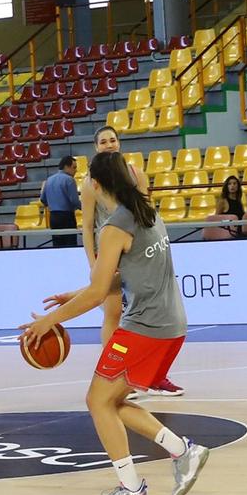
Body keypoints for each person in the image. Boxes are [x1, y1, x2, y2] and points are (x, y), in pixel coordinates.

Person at [23, 151, 211, 495]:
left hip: (145, 327)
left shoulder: (113, 228)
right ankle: (184, 452)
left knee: (97, 400)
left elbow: (99, 292)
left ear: (95, 185)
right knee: (112, 402)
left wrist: (49, 320)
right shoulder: (146, 210)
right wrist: (76, 293)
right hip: (171, 325)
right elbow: (126, 278)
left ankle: (133, 491)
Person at [79, 126, 178, 396]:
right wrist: (93, 263)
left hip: (136, 249)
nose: (109, 144)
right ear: (96, 147)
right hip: (110, 251)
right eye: (103, 141)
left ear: (119, 143)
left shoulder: (136, 173)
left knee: (150, 313)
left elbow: (147, 211)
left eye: (113, 140)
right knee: (114, 313)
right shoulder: (90, 183)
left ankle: (156, 376)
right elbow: (87, 226)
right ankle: (117, 374)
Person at [40, 155, 82, 246]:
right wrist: (86, 208)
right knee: (70, 244)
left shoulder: (49, 180)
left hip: (53, 217)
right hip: (67, 217)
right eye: (74, 167)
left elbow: (42, 199)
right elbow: (74, 200)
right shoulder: (69, 180)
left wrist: (52, 204)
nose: (76, 170)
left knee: (57, 245)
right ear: (66, 167)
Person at [201, 174, 247, 241]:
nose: (232, 186)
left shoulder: (239, 200)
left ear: (238, 186)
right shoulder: (223, 201)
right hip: (228, 233)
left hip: (239, 231)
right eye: (229, 184)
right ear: (226, 186)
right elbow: (216, 218)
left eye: (234, 183)